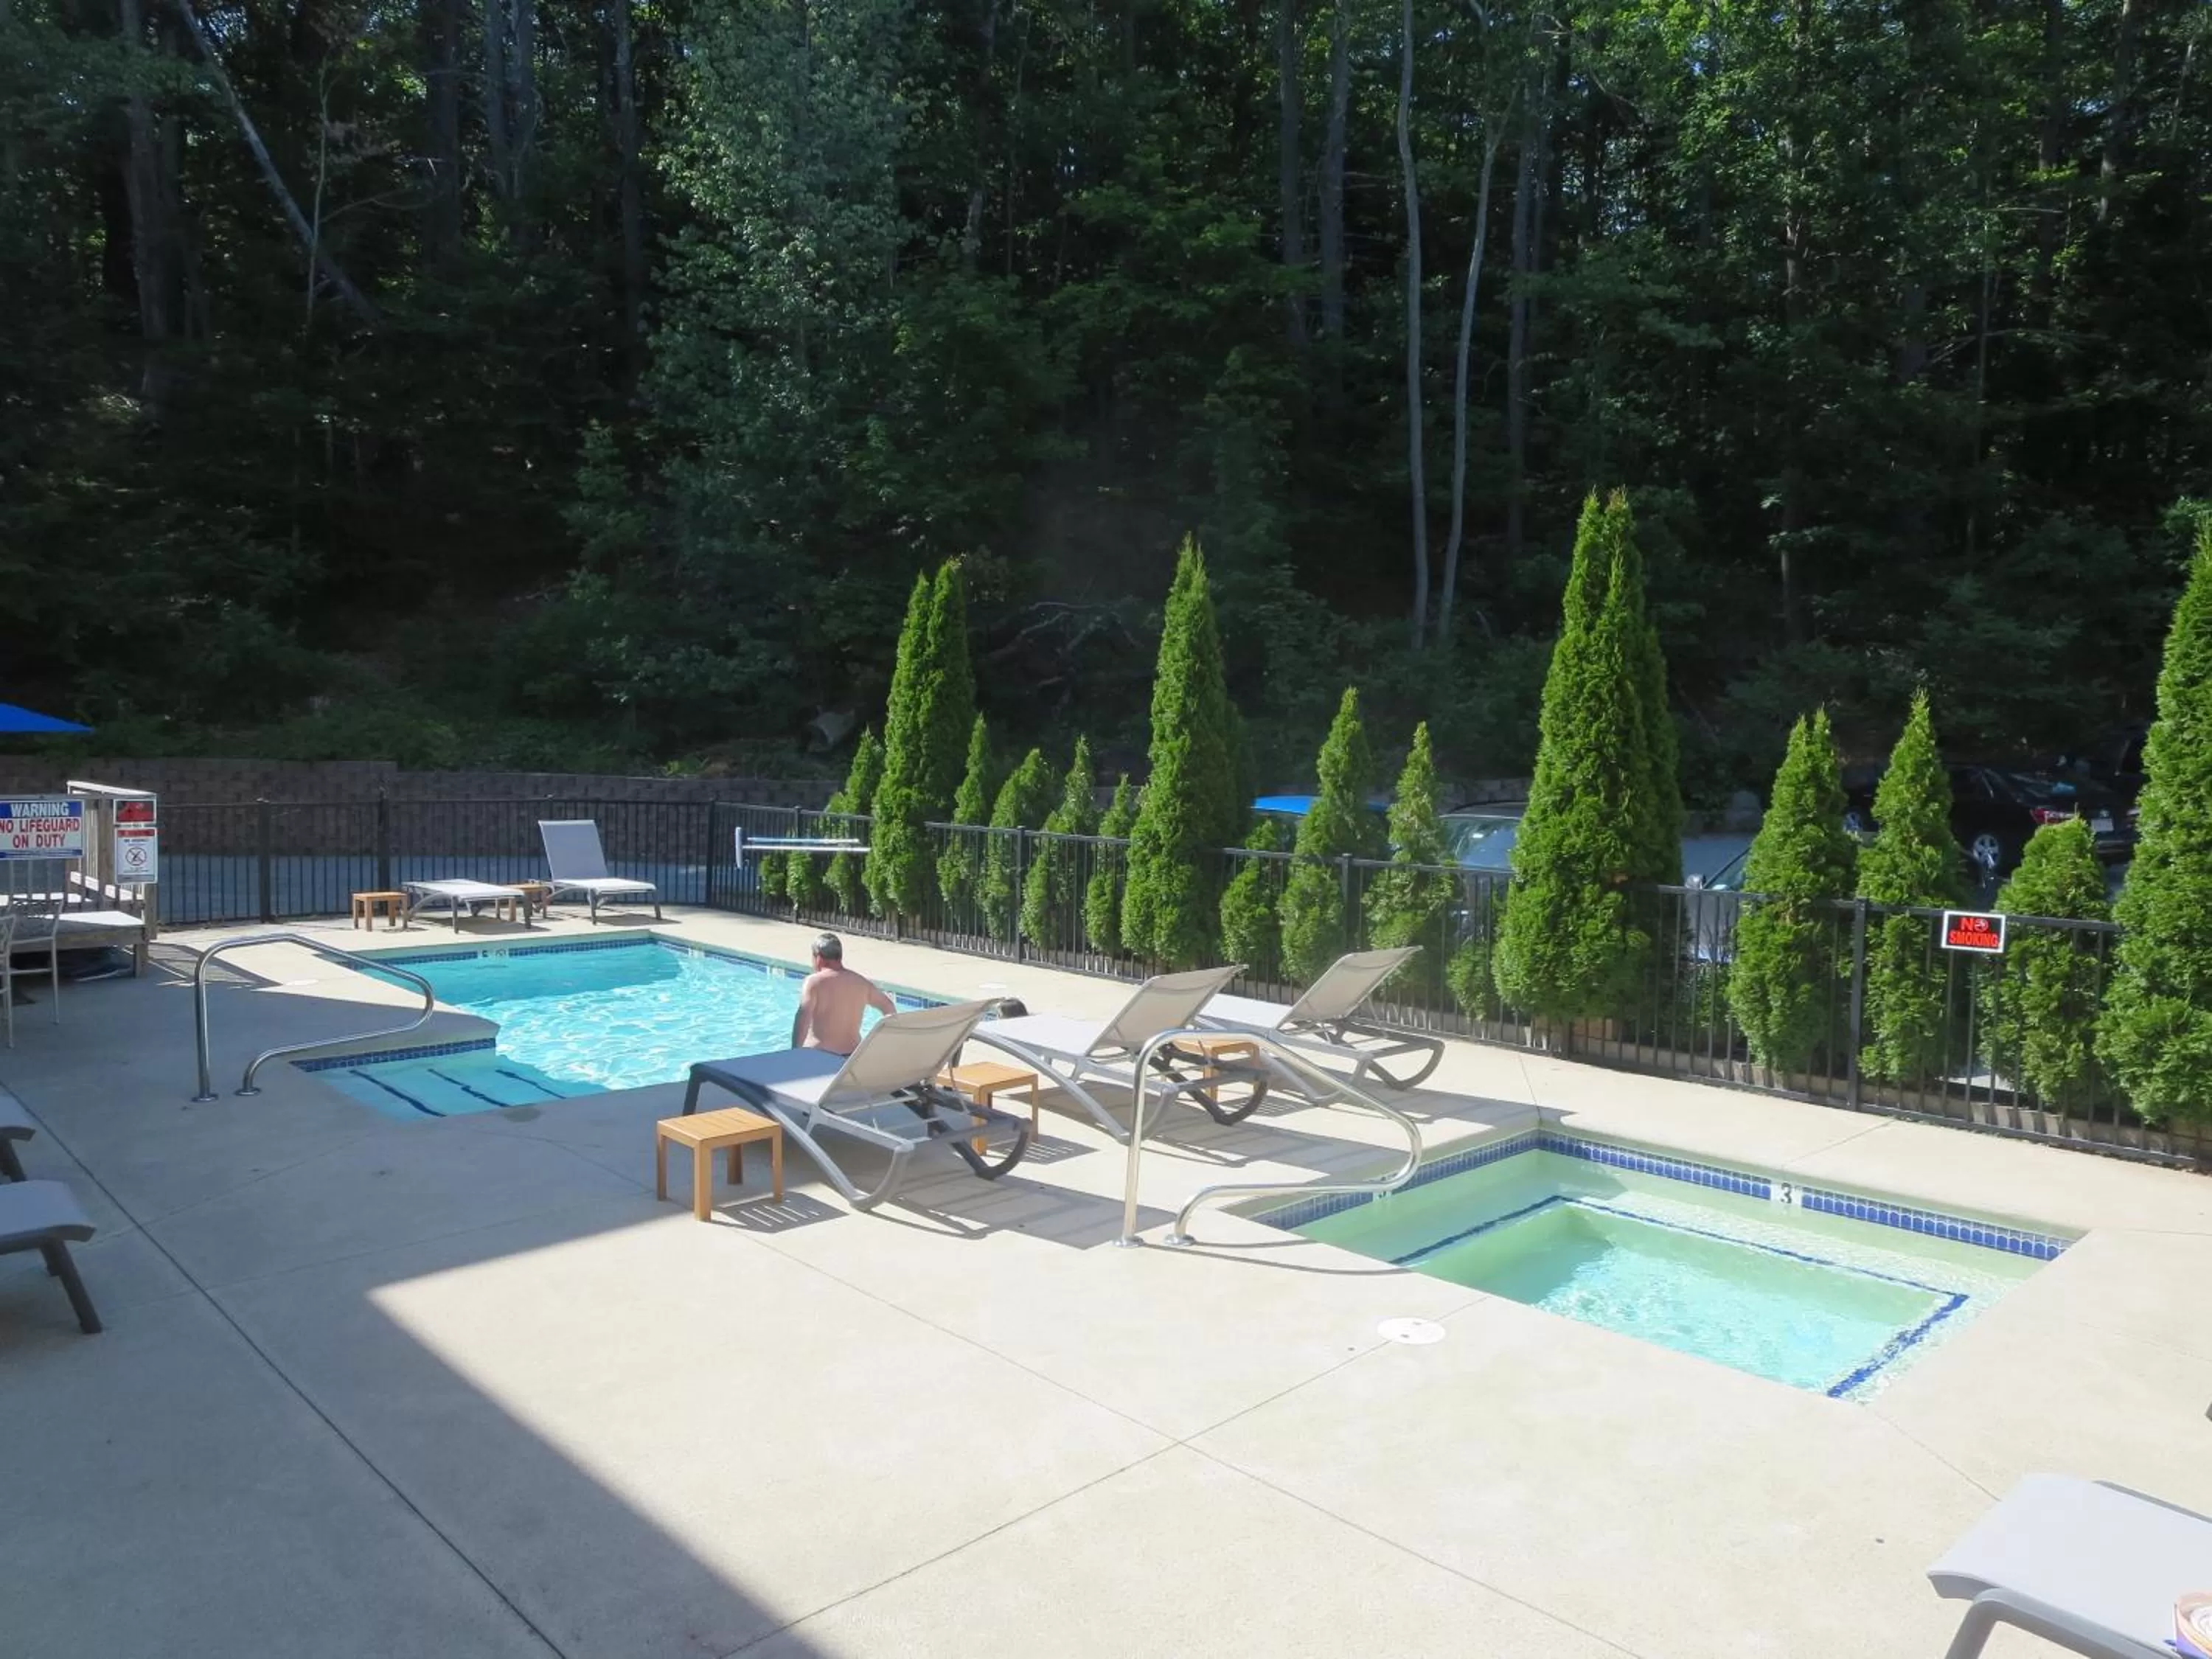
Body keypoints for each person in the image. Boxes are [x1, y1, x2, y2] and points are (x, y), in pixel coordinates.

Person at [790, 932, 895, 1055]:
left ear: (818, 958)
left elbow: (803, 1017)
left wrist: (794, 1053)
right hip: (852, 1058)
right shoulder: (860, 982)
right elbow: (889, 1008)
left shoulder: (814, 982)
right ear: (839, 956)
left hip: (820, 1056)